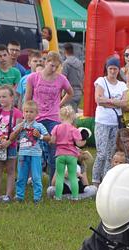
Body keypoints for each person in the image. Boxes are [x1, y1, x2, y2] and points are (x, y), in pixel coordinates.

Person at [25, 51, 73, 180]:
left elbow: (70, 92)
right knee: (34, 150)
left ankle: (54, 181)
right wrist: (27, 116)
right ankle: (34, 179)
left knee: (53, 150)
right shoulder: (33, 78)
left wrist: (60, 104)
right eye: (51, 65)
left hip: (53, 118)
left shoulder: (61, 79)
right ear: (46, 62)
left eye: (56, 66)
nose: (53, 69)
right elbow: (28, 98)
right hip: (37, 117)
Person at [92, 56, 128, 186]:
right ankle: (95, 179)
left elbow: (125, 103)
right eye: (111, 68)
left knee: (110, 153)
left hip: (115, 122)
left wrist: (109, 101)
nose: (113, 71)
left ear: (119, 70)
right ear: (107, 69)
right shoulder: (101, 81)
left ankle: (106, 179)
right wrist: (115, 102)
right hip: (103, 121)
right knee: (101, 152)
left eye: (115, 69)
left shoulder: (122, 85)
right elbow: (98, 100)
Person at [0, 85, 22, 202]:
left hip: (10, 146)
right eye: (0, 97)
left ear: (12, 98)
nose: (1, 99)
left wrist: (9, 142)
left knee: (11, 170)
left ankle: (8, 194)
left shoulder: (17, 113)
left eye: (4, 96)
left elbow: (17, 130)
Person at [12, 100, 50, 202]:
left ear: (36, 113)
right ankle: (19, 196)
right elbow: (11, 138)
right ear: (23, 113)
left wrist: (40, 136)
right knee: (21, 176)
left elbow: (48, 138)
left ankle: (37, 197)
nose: (28, 114)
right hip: (23, 154)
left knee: (36, 176)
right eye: (26, 112)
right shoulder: (20, 125)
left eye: (31, 112)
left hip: (35, 154)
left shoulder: (39, 126)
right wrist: (17, 131)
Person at [51, 105, 85, 200]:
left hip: (60, 154)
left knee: (60, 176)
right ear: (73, 117)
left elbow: (53, 141)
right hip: (72, 155)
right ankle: (75, 197)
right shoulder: (74, 130)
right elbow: (79, 143)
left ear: (60, 117)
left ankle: (58, 197)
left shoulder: (56, 128)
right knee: (73, 176)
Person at [61, 43, 84, 109]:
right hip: (78, 93)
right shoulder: (80, 63)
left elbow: (63, 78)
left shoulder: (66, 63)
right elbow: (82, 77)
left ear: (65, 51)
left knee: (68, 116)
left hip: (69, 93)